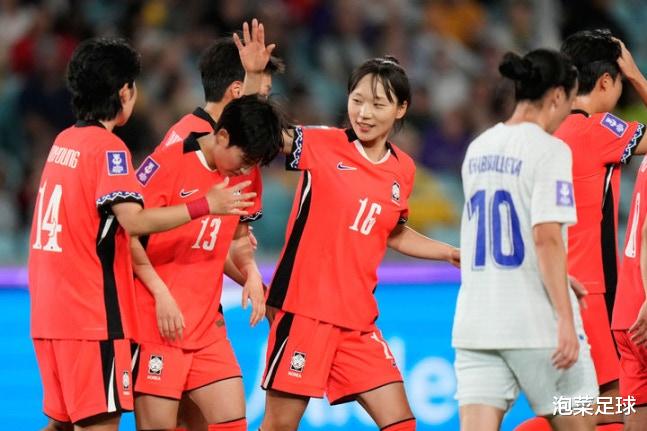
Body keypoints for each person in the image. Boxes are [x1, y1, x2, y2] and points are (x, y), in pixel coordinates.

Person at [29, 38, 257, 431]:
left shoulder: (63, 142)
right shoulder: (109, 150)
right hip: (91, 318)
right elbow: (133, 222)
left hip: (50, 314)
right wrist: (205, 205)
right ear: (124, 93)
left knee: (61, 424)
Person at [260, 55, 460, 431]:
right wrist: (256, 79)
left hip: (357, 321)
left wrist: (447, 252)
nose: (364, 113)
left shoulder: (403, 169)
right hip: (305, 312)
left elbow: (393, 230)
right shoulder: (322, 143)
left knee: (401, 423)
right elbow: (260, 133)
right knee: (279, 426)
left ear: (401, 109)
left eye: (378, 104)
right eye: (357, 100)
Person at [130, 20, 287, 431]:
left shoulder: (244, 165)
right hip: (157, 318)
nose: (263, 104)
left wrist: (251, 275)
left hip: (205, 320)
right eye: (259, 93)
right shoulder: (179, 147)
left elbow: (232, 237)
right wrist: (162, 292)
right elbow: (130, 229)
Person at [453, 49, 598, 431]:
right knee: (582, 421)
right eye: (571, 99)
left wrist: (556, 275)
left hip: (476, 323)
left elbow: (498, 233)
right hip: (536, 324)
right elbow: (546, 238)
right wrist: (564, 318)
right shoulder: (550, 150)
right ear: (557, 96)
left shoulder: (478, 147)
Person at [516, 29, 647, 431]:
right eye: (620, 84)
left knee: (586, 404)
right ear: (606, 81)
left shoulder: (546, 130)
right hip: (591, 289)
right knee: (617, 403)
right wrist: (638, 76)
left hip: (547, 285)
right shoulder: (596, 128)